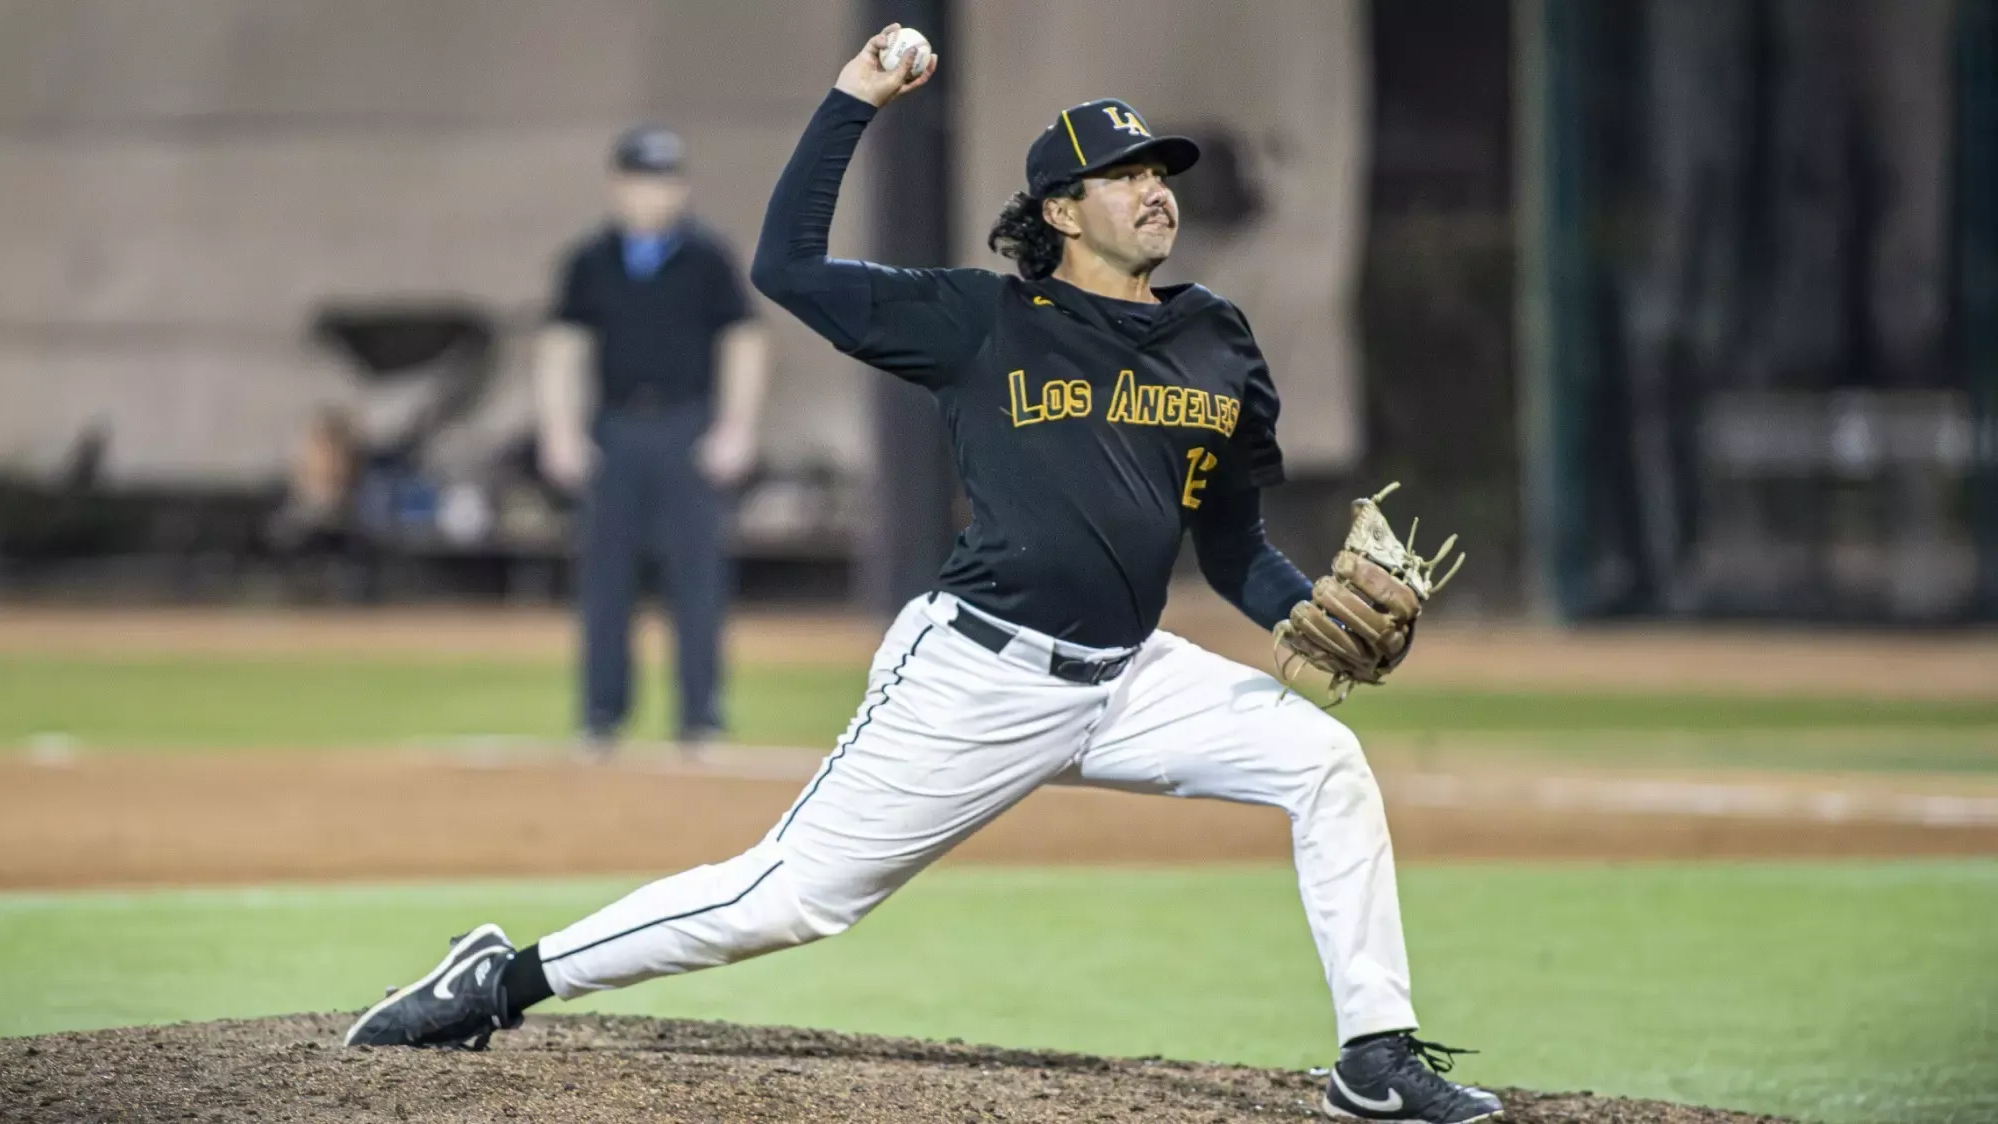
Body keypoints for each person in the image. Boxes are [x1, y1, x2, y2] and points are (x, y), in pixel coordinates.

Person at [345, 27, 1499, 1124]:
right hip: (979, 673)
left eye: (1161, 169)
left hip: (1132, 676)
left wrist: (1301, 607)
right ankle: (502, 979)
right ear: (1058, 210)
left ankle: (1374, 1057)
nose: (1156, 188)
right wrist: (853, 100)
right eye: (1123, 172)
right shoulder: (980, 319)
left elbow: (1232, 545)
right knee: (788, 897)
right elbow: (784, 267)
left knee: (1325, 764)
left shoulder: (1217, 339)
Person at [535, 125, 770, 754]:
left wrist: (735, 429)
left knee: (696, 579)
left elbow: (742, 342)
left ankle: (702, 716)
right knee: (606, 580)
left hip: (687, 427)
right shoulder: (589, 260)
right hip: (614, 429)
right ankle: (600, 715)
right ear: (618, 186)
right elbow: (562, 347)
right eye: (640, 181)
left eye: (664, 181)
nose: (652, 195)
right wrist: (560, 432)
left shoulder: (706, 258)